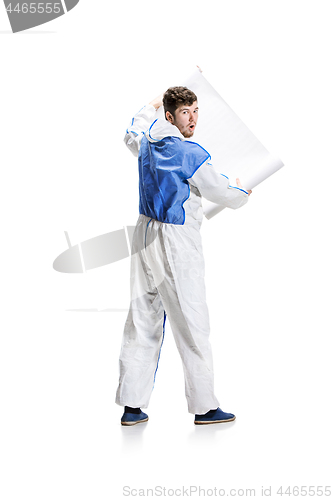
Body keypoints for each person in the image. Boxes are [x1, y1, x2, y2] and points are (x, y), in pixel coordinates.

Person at [115, 86, 251, 425]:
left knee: (143, 318)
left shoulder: (147, 141)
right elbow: (223, 192)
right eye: (185, 112)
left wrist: (152, 103)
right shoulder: (189, 153)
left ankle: (133, 406)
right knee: (192, 321)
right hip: (175, 241)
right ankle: (205, 407)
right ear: (171, 115)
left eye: (195, 110)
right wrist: (244, 192)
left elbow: (130, 130)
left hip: (144, 235)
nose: (192, 118)